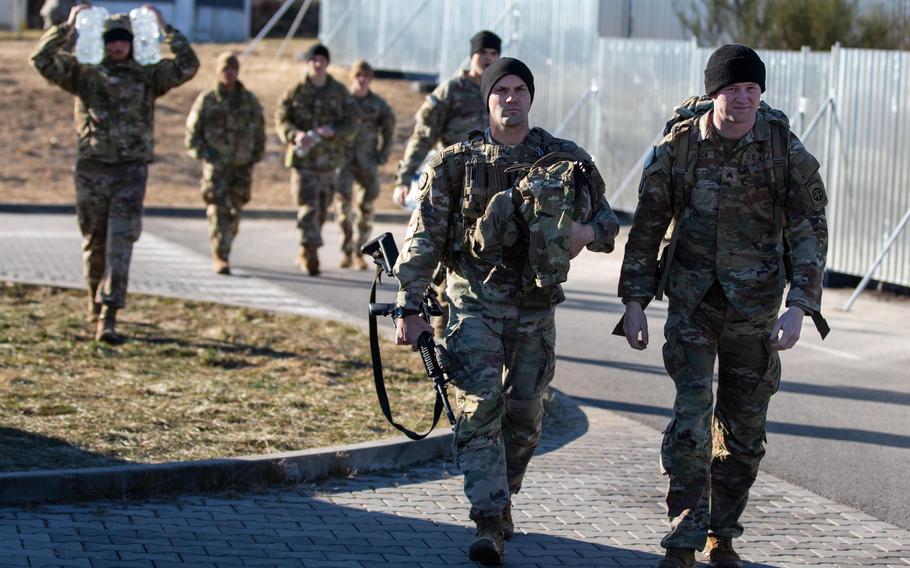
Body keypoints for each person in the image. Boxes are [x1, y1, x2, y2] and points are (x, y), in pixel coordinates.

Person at [393, 57, 620, 565]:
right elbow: (423, 240)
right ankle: (488, 518)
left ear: (530, 98)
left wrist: (585, 233)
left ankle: (504, 494)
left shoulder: (565, 159)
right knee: (479, 409)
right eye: (502, 91)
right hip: (472, 305)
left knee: (526, 414)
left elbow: (608, 221)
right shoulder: (455, 162)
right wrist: (408, 308)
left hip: (536, 309)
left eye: (520, 89)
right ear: (487, 98)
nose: (511, 98)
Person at [618, 45, 829, 568]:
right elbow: (645, 231)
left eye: (751, 90)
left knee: (744, 435)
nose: (742, 100)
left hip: (757, 311)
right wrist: (635, 302)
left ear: (761, 93)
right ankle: (683, 538)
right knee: (691, 423)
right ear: (714, 93)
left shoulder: (783, 149)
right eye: (732, 90)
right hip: (693, 304)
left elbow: (809, 232)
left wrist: (800, 305)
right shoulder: (679, 149)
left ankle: (722, 534)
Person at [30, 4, 199, 343]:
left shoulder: (147, 75)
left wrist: (166, 28)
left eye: (123, 40)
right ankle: (94, 303)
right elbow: (42, 60)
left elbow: (187, 65)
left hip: (130, 172)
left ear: (133, 42)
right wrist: (68, 25)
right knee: (95, 242)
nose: (117, 46)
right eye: (111, 40)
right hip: (92, 170)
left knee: (121, 243)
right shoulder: (85, 73)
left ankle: (109, 314)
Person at [393, 30, 501, 335]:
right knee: (448, 258)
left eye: (495, 53)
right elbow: (422, 135)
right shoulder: (451, 91)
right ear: (473, 55)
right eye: (484, 53)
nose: (489, 59)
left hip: (493, 193)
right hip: (453, 188)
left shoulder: (500, 89)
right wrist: (404, 178)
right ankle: (444, 332)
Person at [275, 43, 357, 276]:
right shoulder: (295, 91)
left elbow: (352, 122)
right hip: (303, 163)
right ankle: (311, 253)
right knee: (308, 208)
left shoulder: (339, 92)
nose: (317, 64)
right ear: (308, 63)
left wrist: (335, 131)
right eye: (313, 60)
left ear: (327, 63)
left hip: (329, 163)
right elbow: (281, 119)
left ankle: (306, 246)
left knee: (321, 211)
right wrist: (295, 135)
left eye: (321, 60)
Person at [186, 51, 266, 275]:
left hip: (241, 167)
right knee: (217, 209)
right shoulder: (207, 100)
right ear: (218, 72)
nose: (229, 74)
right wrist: (206, 154)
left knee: (234, 211)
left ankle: (225, 243)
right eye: (224, 70)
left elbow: (259, 131)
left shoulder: (249, 101)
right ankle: (220, 254)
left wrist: (254, 156)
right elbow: (192, 134)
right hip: (217, 167)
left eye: (232, 69)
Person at [336, 59, 395, 270]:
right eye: (358, 76)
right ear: (352, 77)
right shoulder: (342, 101)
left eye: (366, 76)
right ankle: (346, 250)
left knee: (366, 207)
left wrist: (383, 154)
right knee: (343, 206)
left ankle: (360, 251)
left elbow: (389, 129)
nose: (362, 80)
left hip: (367, 161)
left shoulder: (378, 104)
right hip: (343, 160)